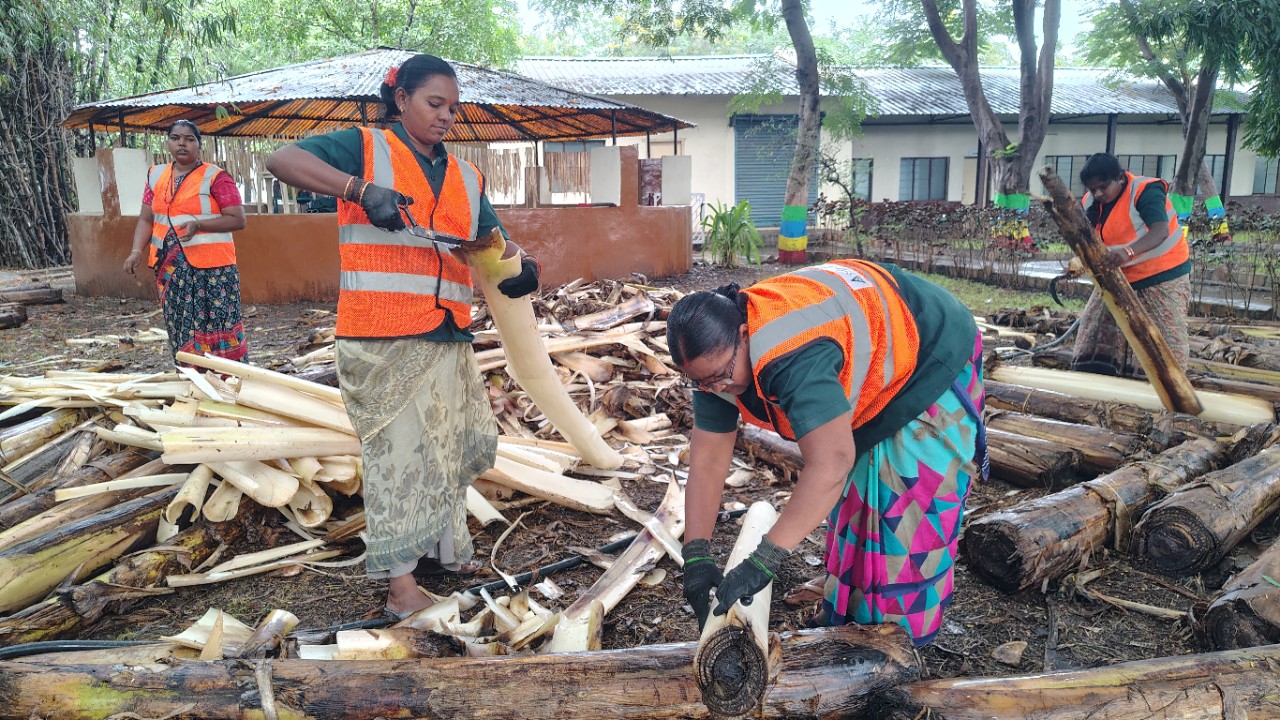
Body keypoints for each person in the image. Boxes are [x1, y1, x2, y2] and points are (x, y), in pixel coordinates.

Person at [265, 54, 540, 620]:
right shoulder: (365, 149)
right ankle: (400, 585)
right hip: (382, 335)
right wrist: (360, 190)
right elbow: (280, 158)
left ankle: (440, 550)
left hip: (447, 330)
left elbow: (491, 241)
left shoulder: (466, 176)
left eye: (452, 109)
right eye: (434, 104)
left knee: (446, 447)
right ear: (402, 99)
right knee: (399, 455)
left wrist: (522, 264)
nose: (445, 117)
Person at [671, 259, 986, 646]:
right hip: (871, 351)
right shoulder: (717, 367)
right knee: (858, 502)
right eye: (702, 382)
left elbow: (832, 464)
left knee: (905, 508)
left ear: (743, 333)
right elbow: (706, 462)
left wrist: (765, 560)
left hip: (930, 350)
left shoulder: (790, 356)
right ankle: (852, 612)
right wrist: (697, 556)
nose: (716, 389)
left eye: (720, 376)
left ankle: (899, 647)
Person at [125, 120, 249, 365]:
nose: (181, 143)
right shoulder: (155, 175)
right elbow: (146, 218)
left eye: (189, 139)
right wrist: (136, 250)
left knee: (219, 323)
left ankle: (228, 377)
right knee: (180, 322)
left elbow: (238, 219)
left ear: (199, 144)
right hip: (170, 270)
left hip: (213, 270)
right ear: (168, 142)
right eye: (175, 137)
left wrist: (199, 225)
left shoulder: (216, 177)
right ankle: (190, 375)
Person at [1072, 152, 1191, 376]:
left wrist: (1127, 253)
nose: (1098, 193)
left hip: (1162, 275)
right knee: (1095, 329)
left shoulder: (1144, 190)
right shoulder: (1090, 202)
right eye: (1092, 188)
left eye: (1103, 187)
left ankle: (1171, 390)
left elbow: (1160, 231)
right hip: (1118, 275)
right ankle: (1101, 378)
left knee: (1163, 338)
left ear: (1118, 177)